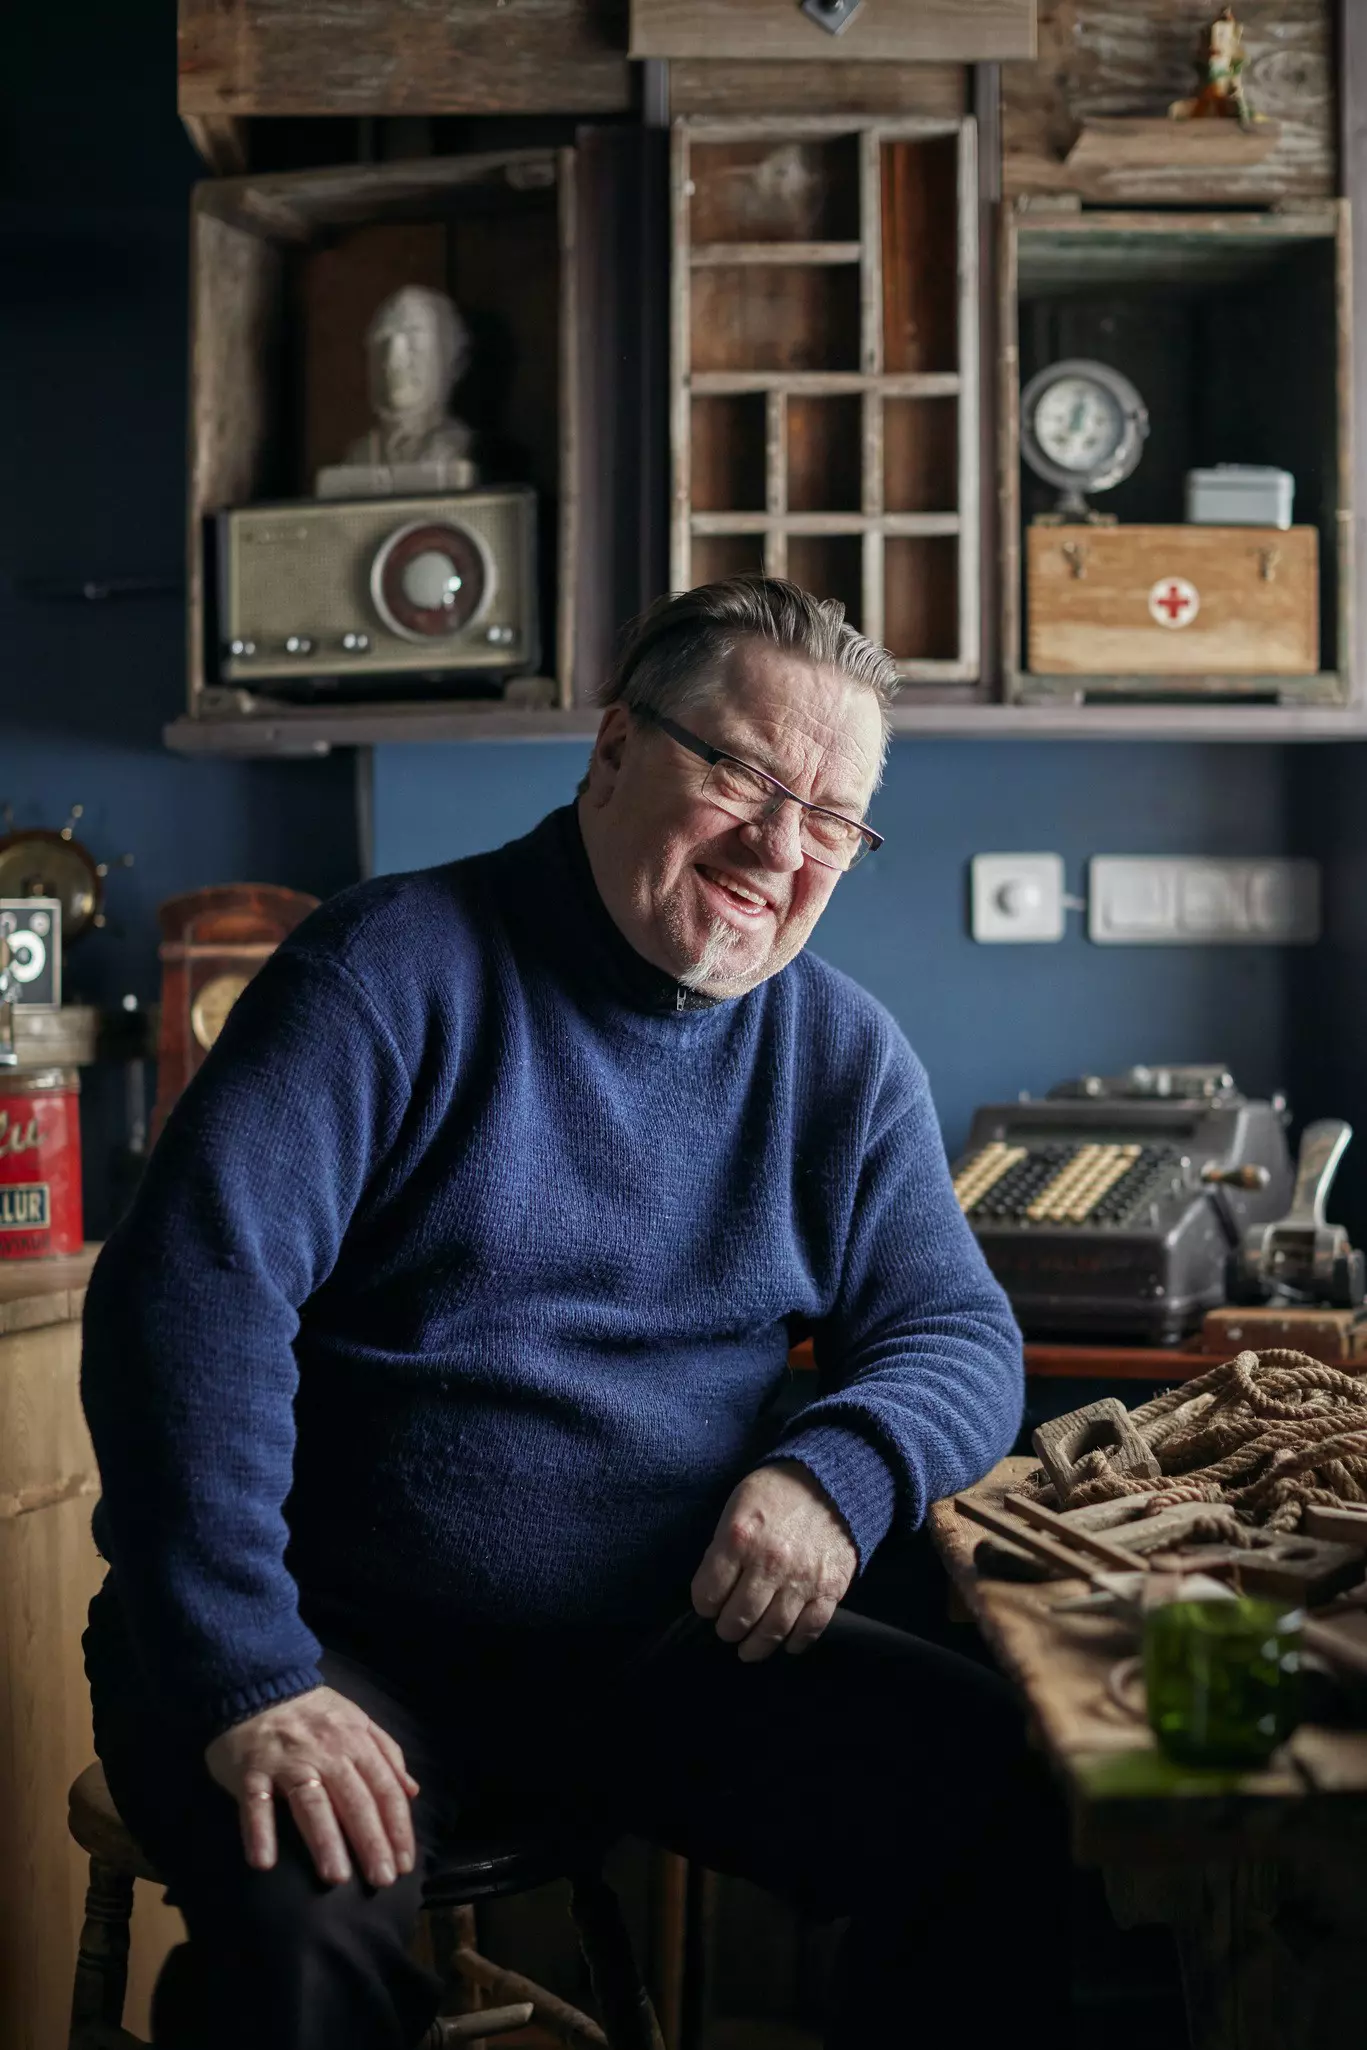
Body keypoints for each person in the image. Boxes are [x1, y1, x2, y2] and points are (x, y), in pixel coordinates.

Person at [82, 577, 1064, 2050]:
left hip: (643, 1661)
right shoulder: (382, 974)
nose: (778, 848)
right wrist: (245, 1670)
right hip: (319, 1635)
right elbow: (188, 1306)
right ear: (612, 747)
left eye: (832, 818)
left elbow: (960, 1336)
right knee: (301, 1935)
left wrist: (832, 1472)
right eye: (739, 769)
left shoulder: (841, 1059)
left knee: (1004, 1795)